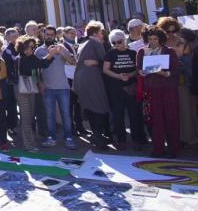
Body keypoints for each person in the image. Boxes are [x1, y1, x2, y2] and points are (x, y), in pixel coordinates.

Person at [138, 26, 181, 158]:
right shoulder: (142, 52)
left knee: (171, 118)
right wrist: (144, 72)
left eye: (155, 38)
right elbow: (139, 69)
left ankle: (174, 149)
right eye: (150, 39)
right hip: (151, 90)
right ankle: (158, 149)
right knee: (156, 120)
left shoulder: (169, 52)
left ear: (160, 39)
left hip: (168, 89)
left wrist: (164, 73)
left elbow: (175, 71)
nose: (153, 41)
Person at [103, 29, 145, 149]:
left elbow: (138, 69)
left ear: (124, 40)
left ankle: (137, 138)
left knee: (134, 114)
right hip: (116, 89)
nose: (117, 44)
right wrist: (119, 76)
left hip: (131, 88)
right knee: (118, 114)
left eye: (119, 41)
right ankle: (121, 139)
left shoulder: (133, 53)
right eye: (113, 42)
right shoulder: (110, 54)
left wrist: (130, 75)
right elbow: (105, 70)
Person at [36, 28, 77, 149]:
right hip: (48, 87)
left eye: (51, 35)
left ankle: (68, 138)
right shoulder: (39, 50)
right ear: (43, 35)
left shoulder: (62, 48)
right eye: (47, 34)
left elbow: (73, 62)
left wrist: (63, 52)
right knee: (49, 114)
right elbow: (38, 68)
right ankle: (51, 138)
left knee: (66, 114)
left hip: (63, 87)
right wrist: (40, 83)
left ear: (55, 36)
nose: (49, 36)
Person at [74, 21, 111, 149]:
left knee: (90, 107)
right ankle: (97, 136)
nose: (103, 35)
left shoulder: (83, 44)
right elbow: (105, 61)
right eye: (101, 32)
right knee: (100, 107)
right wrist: (97, 62)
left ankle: (97, 136)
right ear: (95, 33)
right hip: (93, 80)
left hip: (81, 80)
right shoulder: (96, 43)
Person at [14, 36, 46, 152]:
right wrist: (51, 54)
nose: (33, 49)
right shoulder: (21, 59)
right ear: (23, 48)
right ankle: (29, 145)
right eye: (30, 47)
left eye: (34, 47)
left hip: (31, 88)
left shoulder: (31, 57)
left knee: (30, 116)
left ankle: (27, 140)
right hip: (22, 90)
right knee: (27, 117)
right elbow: (29, 69)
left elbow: (43, 64)